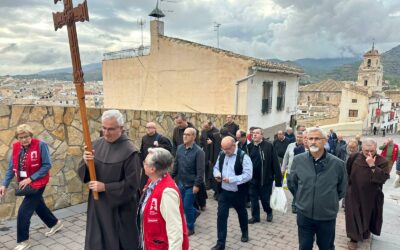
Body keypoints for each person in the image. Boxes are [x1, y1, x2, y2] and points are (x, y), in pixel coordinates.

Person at [78, 109, 142, 250]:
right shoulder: (95, 144)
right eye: (104, 128)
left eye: (111, 129)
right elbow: (85, 174)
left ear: (121, 128)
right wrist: (85, 162)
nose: (106, 133)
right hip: (98, 206)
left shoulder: (131, 152)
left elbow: (133, 186)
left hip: (120, 210)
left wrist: (106, 187)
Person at [0, 124, 63, 250]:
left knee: (24, 211)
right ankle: (55, 223)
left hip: (38, 183)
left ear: (31, 135)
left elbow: (47, 165)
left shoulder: (41, 145)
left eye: (26, 136)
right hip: (26, 184)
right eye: (20, 137)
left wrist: (30, 178)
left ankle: (24, 241)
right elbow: (11, 169)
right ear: (17, 138)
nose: (23, 140)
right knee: (38, 205)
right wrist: (4, 185)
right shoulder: (16, 147)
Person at [291, 127, 346, 250]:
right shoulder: (298, 160)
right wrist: (303, 198)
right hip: (304, 214)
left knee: (326, 247)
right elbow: (293, 183)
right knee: (304, 246)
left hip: (326, 216)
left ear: (325, 141)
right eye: (310, 139)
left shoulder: (338, 164)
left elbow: (342, 189)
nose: (313, 142)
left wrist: (326, 199)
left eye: (317, 138)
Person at [138, 148, 189, 250]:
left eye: (145, 162)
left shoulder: (167, 193)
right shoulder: (153, 181)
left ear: (152, 169)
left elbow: (175, 231)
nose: (143, 163)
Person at [345, 138, 390, 250]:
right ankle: (353, 239)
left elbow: (383, 178)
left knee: (367, 216)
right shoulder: (354, 157)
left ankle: (365, 232)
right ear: (362, 149)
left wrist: (373, 166)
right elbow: (348, 171)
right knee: (353, 216)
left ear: (376, 149)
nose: (369, 153)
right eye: (366, 151)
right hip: (354, 193)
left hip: (371, 196)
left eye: (372, 151)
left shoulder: (382, 161)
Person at [211, 137, 253, 250]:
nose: (225, 151)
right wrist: (217, 174)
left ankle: (244, 232)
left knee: (242, 213)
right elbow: (215, 167)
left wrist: (232, 179)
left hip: (238, 193)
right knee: (221, 217)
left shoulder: (243, 156)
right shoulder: (222, 154)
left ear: (234, 146)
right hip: (224, 192)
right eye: (223, 149)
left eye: (227, 149)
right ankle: (220, 244)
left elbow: (248, 175)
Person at [171, 127, 205, 236]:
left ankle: (190, 228)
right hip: (181, 182)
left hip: (191, 185)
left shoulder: (199, 152)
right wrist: (171, 177)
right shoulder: (180, 148)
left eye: (188, 134)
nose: (184, 136)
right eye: (184, 134)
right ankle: (195, 213)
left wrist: (197, 185)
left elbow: (200, 171)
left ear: (194, 137)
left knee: (187, 206)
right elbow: (176, 165)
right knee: (182, 205)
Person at [247, 128, 282, 223]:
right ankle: (255, 217)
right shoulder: (249, 147)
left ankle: (269, 212)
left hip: (265, 178)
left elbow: (275, 162)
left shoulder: (268, 146)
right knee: (253, 198)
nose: (254, 135)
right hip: (252, 179)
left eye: (257, 133)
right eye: (253, 133)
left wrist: (278, 180)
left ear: (262, 135)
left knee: (264, 199)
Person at [139, 122, 172, 189]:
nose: (147, 129)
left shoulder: (161, 138)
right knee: (143, 185)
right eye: (147, 127)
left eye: (149, 127)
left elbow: (169, 149)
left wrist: (159, 145)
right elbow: (142, 150)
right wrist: (141, 163)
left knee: (154, 185)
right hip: (146, 165)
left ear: (154, 129)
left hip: (156, 167)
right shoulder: (144, 138)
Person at [282, 131, 304, 213]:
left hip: (300, 172)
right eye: (297, 137)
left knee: (297, 188)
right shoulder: (290, 145)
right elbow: (285, 157)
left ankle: (294, 205)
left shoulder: (305, 148)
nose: (298, 139)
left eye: (300, 137)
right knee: (290, 186)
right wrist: (283, 168)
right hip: (290, 171)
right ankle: (297, 198)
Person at [200, 120, 220, 190]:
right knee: (206, 168)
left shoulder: (217, 132)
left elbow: (218, 144)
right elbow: (201, 141)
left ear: (211, 125)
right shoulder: (203, 131)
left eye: (207, 127)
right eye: (204, 127)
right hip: (206, 153)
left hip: (214, 154)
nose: (205, 129)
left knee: (213, 169)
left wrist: (212, 143)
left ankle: (213, 185)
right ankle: (207, 184)